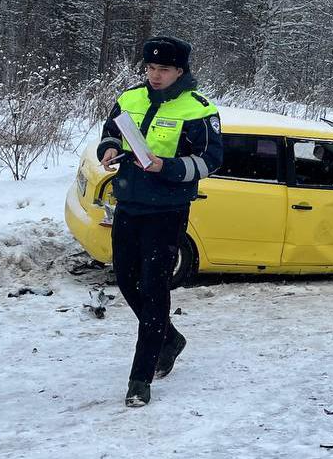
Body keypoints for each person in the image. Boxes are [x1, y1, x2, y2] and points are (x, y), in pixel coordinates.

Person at [97, 36, 223, 408]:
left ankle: (140, 377)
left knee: (154, 288)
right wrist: (107, 149)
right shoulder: (129, 97)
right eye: (150, 68)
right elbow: (111, 132)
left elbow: (211, 160)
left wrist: (164, 166)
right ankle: (170, 338)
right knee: (125, 279)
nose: (154, 75)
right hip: (129, 204)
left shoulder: (199, 109)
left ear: (180, 71)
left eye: (163, 69)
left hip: (167, 210)